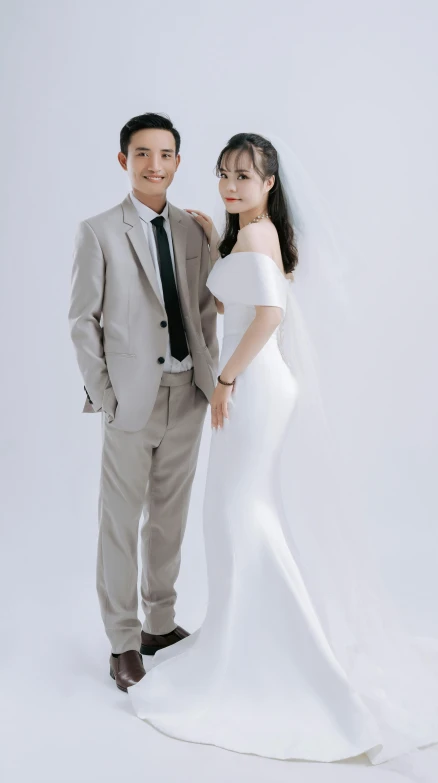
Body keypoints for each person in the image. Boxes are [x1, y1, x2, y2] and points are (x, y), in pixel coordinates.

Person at [127, 133, 438, 763]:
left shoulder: (255, 236)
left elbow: (269, 314)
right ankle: (246, 636)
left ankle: (274, 652)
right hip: (258, 382)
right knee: (238, 515)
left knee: (240, 515)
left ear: (269, 184)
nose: (230, 185)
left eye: (244, 177)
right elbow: (240, 298)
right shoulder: (251, 234)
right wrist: (209, 233)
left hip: (253, 385)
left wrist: (226, 380)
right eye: (224, 173)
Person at [68, 113, 218, 692]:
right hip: (129, 401)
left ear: (178, 161)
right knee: (119, 522)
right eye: (142, 154)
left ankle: (160, 624)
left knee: (169, 519)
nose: (155, 165)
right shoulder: (99, 230)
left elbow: (203, 309)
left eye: (165, 154)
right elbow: (83, 321)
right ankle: (123, 642)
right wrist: (104, 394)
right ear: (124, 161)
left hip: (187, 397)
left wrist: (209, 381)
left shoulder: (193, 230)